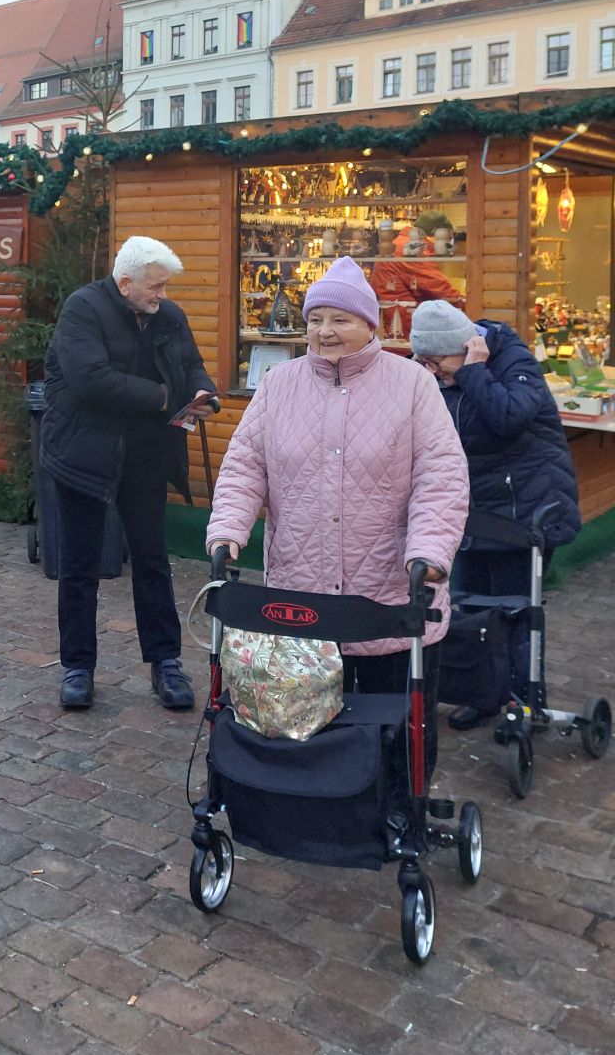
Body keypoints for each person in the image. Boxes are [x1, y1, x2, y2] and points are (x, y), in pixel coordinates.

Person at [206, 258, 469, 776]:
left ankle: (398, 812)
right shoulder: (279, 385)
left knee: (397, 727)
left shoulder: (412, 384)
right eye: (315, 319)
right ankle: (321, 815)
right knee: (306, 722)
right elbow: (244, 467)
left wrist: (430, 554)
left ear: (370, 324)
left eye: (340, 320)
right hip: (301, 597)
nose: (324, 331)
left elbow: (441, 477)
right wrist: (228, 532)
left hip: (390, 595)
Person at [40, 234, 217, 712]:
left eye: (164, 286)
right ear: (125, 283)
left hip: (145, 455)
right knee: (79, 566)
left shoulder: (169, 315)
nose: (162, 295)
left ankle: (166, 663)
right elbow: (89, 379)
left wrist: (202, 393)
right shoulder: (83, 309)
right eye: (154, 286)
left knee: (153, 560)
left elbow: (192, 365)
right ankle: (77, 667)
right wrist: (163, 398)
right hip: (83, 453)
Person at [410, 299, 580, 728]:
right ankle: (485, 695)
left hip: (525, 510)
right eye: (424, 363)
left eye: (437, 362)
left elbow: (510, 416)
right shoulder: (438, 372)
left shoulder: (509, 358)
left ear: (466, 347)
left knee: (516, 614)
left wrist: (471, 371)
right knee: (469, 611)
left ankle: (522, 704)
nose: (433, 372)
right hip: (471, 512)